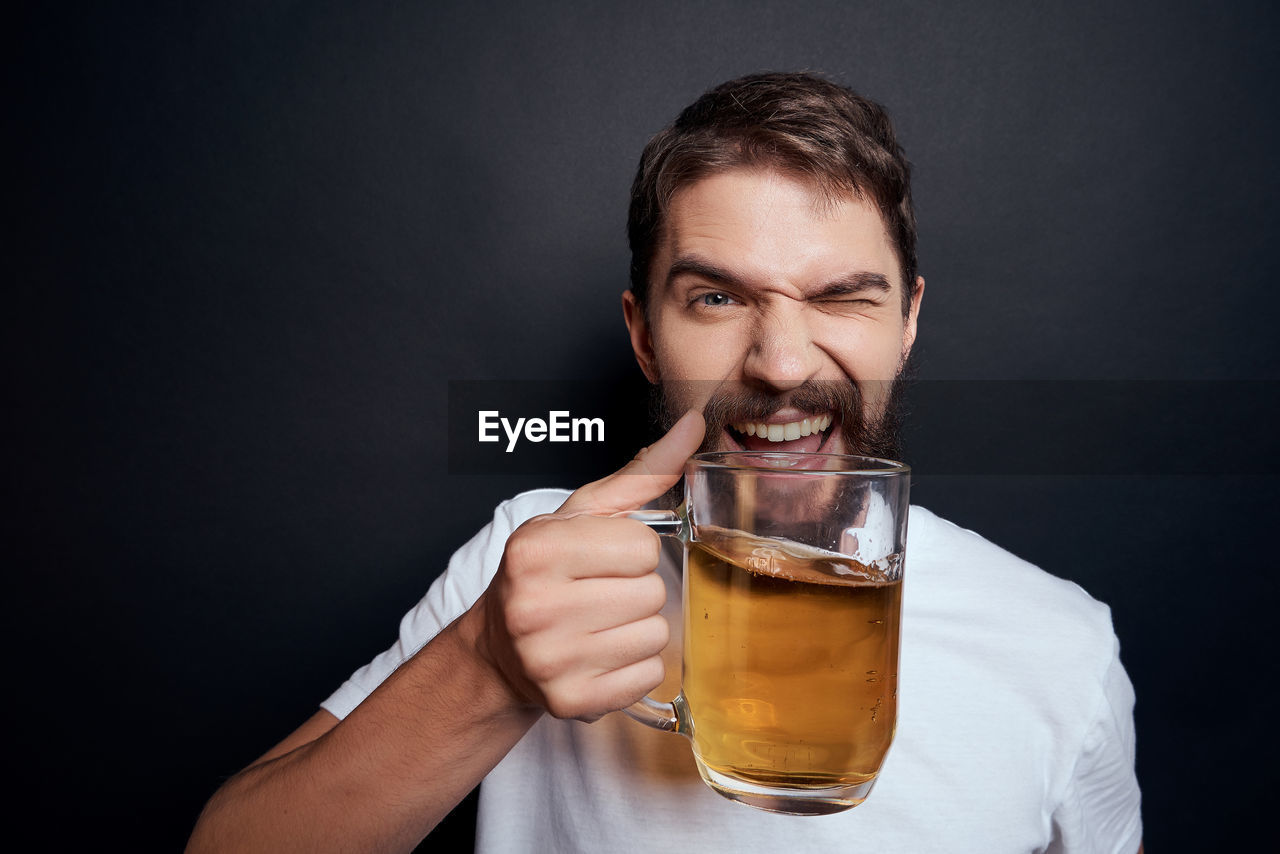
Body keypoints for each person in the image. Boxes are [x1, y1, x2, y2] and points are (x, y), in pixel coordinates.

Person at [186, 72, 1143, 853]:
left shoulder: (1061, 646)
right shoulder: (533, 557)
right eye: (717, 300)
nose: (780, 363)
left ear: (909, 323)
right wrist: (487, 668)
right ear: (644, 337)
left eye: (844, 297)